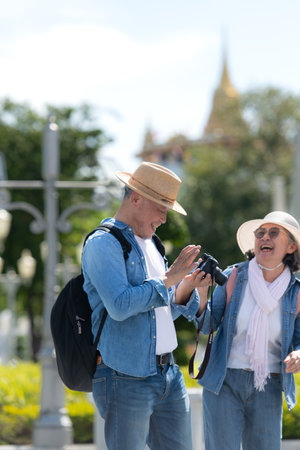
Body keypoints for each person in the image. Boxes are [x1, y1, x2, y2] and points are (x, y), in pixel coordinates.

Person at [82, 161, 211, 450]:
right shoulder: (103, 243)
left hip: (168, 375)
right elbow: (119, 306)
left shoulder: (153, 244)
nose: (164, 219)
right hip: (123, 376)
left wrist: (186, 286)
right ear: (136, 198)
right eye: (161, 209)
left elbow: (160, 310)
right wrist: (167, 279)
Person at [196, 210, 300, 450]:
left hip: (269, 384)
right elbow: (208, 325)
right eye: (260, 233)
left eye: (274, 233)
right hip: (224, 382)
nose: (265, 237)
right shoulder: (234, 276)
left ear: (291, 247)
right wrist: (201, 294)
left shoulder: (296, 292)